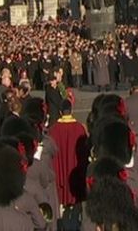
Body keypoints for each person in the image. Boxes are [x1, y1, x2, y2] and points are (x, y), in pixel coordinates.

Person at [49, 98, 89, 230]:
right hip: (75, 173)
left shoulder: (54, 130)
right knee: (77, 202)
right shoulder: (79, 128)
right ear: (71, 111)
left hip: (60, 173)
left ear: (61, 112)